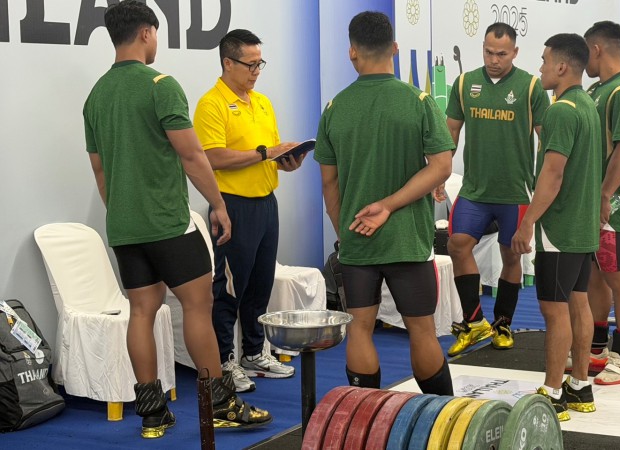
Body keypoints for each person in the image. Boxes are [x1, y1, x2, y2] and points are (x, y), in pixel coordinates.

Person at [83, 1, 270, 438]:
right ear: (147, 33)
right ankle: (221, 404)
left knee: (141, 312)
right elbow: (192, 155)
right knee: (198, 307)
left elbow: (100, 170)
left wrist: (123, 214)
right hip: (169, 223)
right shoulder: (161, 85)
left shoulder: (96, 95)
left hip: (125, 227)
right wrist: (218, 204)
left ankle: (152, 414)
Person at [315, 11, 454, 396]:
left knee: (359, 328)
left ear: (352, 52)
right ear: (394, 48)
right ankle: (442, 411)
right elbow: (442, 166)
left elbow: (329, 184)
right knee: (422, 330)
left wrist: (346, 232)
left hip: (357, 238)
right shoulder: (419, 101)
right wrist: (390, 206)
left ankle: (365, 413)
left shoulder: (335, 108)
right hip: (408, 239)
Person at [194, 29, 301, 393]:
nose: (257, 71)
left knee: (260, 284)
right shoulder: (211, 104)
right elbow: (212, 157)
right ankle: (224, 362)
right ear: (228, 62)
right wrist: (264, 154)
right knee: (229, 288)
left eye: (260, 63)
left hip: (266, 201)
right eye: (250, 64)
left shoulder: (262, 102)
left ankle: (254, 353)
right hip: (232, 204)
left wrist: (285, 159)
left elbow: (269, 152)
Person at [444, 22, 550, 356]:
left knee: (511, 256)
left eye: (501, 54)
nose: (494, 59)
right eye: (489, 52)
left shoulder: (531, 87)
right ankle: (474, 322)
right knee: (458, 245)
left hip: (515, 193)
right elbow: (450, 132)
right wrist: (438, 175)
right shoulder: (465, 84)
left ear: (514, 52)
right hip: (475, 190)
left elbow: (547, 139)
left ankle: (503, 323)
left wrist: (547, 184)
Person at [511, 33, 602, 421]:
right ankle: (580, 386)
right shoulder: (587, 105)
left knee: (554, 311)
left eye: (545, 61)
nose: (541, 68)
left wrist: (527, 223)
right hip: (582, 227)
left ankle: (552, 393)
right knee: (578, 303)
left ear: (562, 66)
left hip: (559, 228)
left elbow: (552, 174)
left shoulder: (561, 112)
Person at [581, 21, 620, 385]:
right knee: (596, 273)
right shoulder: (597, 90)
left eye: (585, 53)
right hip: (595, 198)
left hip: (615, 201)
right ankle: (597, 347)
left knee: (617, 276)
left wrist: (605, 194)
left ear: (597, 49)